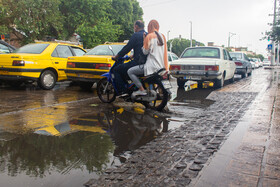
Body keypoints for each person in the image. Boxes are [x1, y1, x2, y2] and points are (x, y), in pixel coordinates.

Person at [127, 20, 169, 96]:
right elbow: (165, 52)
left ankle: (141, 90)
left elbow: (145, 52)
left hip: (151, 66)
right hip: (161, 67)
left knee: (130, 71)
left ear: (149, 27)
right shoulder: (163, 37)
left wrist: (144, 40)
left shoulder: (149, 36)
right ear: (157, 26)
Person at [112, 20, 146, 94]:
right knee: (124, 69)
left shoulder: (136, 35)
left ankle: (123, 91)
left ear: (136, 26)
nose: (134, 28)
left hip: (138, 62)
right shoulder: (147, 34)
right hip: (147, 62)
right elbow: (142, 48)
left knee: (116, 69)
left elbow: (127, 48)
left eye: (134, 26)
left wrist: (117, 56)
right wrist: (133, 55)